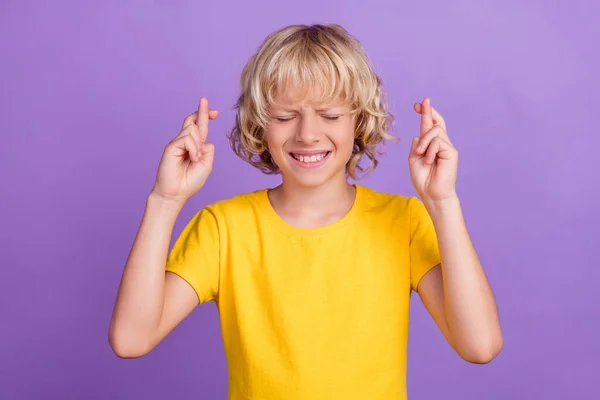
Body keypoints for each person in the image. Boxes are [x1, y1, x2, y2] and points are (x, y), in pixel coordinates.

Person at [108, 23, 503, 399]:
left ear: (359, 122)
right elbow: (130, 340)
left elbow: (480, 345)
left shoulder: (404, 222)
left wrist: (443, 203)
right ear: (260, 125)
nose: (308, 134)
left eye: (330, 115)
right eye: (284, 116)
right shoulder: (223, 228)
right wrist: (165, 201)